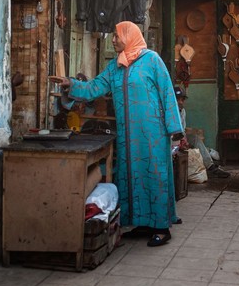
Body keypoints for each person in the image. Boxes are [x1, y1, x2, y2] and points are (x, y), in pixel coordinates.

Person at [51, 21, 182, 247]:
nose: (113, 40)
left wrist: (175, 128)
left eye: (116, 35)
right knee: (132, 176)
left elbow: (168, 93)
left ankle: (161, 227)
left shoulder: (152, 60)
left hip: (152, 134)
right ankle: (141, 223)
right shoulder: (115, 67)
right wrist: (69, 84)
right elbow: (95, 87)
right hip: (128, 136)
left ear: (129, 36)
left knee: (154, 176)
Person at [174, 86, 231, 178]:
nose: (180, 102)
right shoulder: (168, 110)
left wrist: (184, 139)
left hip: (180, 137)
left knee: (195, 139)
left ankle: (211, 167)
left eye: (182, 99)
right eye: (177, 99)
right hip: (171, 139)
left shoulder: (182, 111)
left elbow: (182, 128)